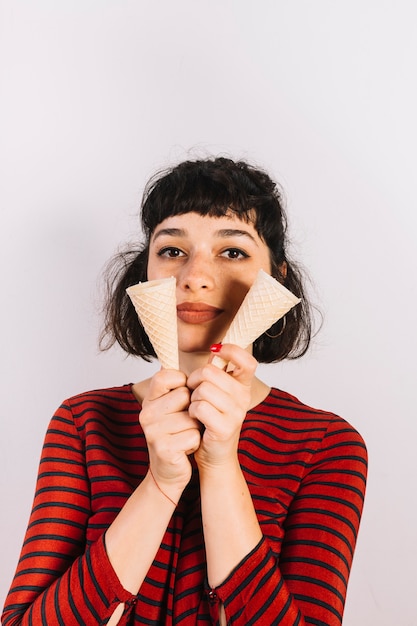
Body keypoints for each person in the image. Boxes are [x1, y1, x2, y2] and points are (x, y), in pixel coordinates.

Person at [2, 157, 367, 626]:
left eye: (232, 251)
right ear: (145, 273)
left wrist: (219, 466)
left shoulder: (327, 444)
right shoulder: (84, 421)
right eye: (172, 250)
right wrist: (160, 484)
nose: (194, 275)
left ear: (274, 279)